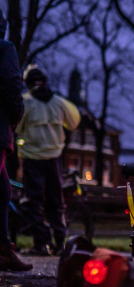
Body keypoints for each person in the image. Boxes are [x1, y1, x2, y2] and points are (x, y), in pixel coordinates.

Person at [16, 65, 80, 256]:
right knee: (56, 201)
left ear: (27, 83)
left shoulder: (25, 102)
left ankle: (40, 242)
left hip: (31, 158)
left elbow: (17, 126)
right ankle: (60, 242)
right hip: (54, 158)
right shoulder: (60, 102)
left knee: (32, 202)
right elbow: (74, 121)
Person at [0, 10, 32, 270]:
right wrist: (14, 117)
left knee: (2, 189)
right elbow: (11, 85)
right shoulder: (4, 48)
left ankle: (3, 248)